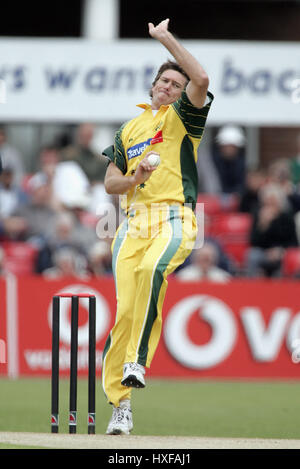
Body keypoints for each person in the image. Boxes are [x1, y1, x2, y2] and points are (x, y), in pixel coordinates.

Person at [101, 19, 213, 435]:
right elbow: (111, 181)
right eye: (164, 81)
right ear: (152, 86)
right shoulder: (128, 129)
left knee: (154, 270)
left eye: (175, 84)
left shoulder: (184, 119)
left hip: (175, 216)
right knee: (124, 315)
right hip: (131, 223)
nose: (169, 87)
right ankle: (121, 405)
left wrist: (164, 38)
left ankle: (137, 361)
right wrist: (133, 181)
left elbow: (201, 77)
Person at [211, 124, 246, 195]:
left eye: (232, 147)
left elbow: (241, 186)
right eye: (227, 146)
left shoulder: (241, 164)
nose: (229, 150)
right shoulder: (210, 163)